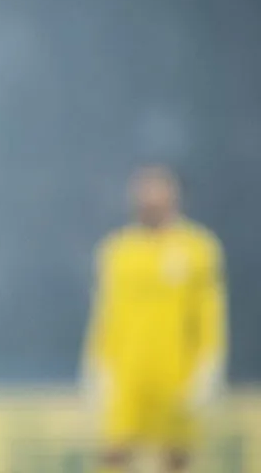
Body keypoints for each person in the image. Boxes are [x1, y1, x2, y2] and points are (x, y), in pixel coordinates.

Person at [81, 165, 228, 473]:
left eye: (158, 193)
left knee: (175, 457)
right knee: (114, 453)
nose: (150, 201)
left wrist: (209, 365)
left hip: (176, 375)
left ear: (174, 198)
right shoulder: (118, 251)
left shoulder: (197, 249)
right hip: (126, 375)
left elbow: (209, 314)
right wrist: (96, 364)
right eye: (144, 194)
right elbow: (105, 314)